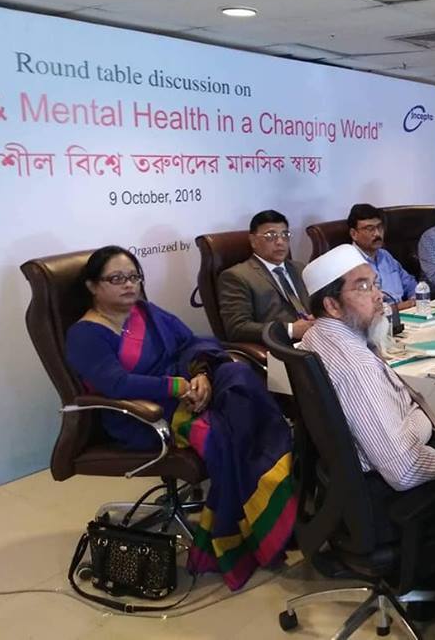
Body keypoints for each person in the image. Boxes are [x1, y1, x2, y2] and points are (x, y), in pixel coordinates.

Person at [65, 246, 295, 591]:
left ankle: (275, 510)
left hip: (188, 394)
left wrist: (202, 374)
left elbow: (191, 342)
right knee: (228, 436)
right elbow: (117, 383)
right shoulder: (85, 334)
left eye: (134, 277)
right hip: (144, 416)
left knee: (240, 383)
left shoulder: (146, 312)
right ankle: (242, 530)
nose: (128, 284)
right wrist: (178, 386)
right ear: (93, 286)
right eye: (116, 278)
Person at [297, 244, 435, 544]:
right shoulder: (357, 367)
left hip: (351, 487)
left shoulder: (316, 335)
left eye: (375, 283)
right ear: (332, 305)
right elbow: (404, 471)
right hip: (389, 503)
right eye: (363, 287)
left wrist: (431, 430)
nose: (379, 295)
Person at [218, 209, 313, 342]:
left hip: (317, 337)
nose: (280, 241)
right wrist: (291, 330)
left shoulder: (299, 268)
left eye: (285, 235)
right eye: (270, 236)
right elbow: (237, 328)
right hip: (282, 346)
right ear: (253, 241)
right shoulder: (236, 276)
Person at [348, 203, 418, 310]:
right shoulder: (351, 263)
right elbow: (363, 310)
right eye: (370, 229)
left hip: (407, 313)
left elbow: (410, 284)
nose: (377, 233)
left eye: (379, 227)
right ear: (354, 234)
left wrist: (415, 300)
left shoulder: (385, 256)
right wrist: (401, 306)